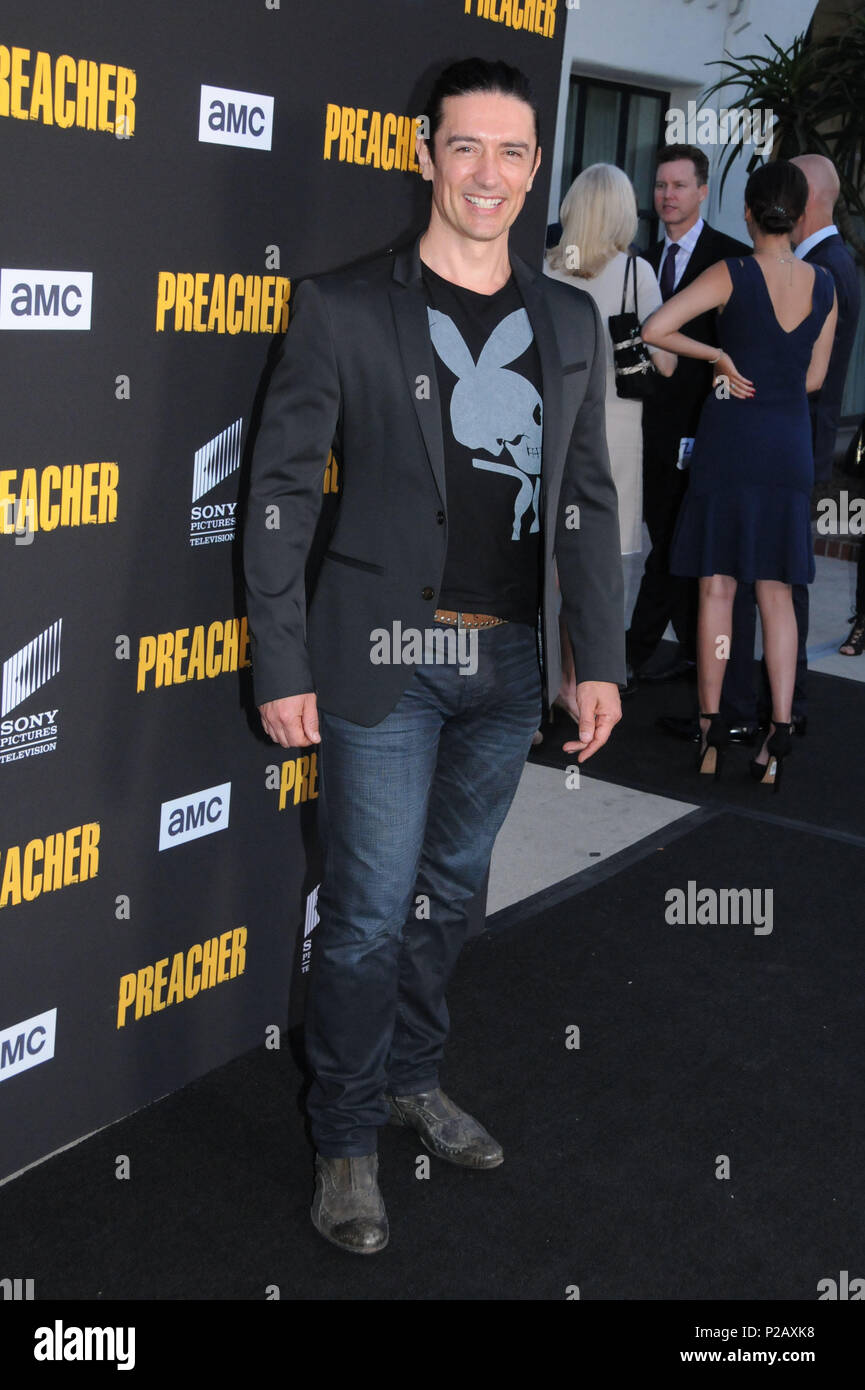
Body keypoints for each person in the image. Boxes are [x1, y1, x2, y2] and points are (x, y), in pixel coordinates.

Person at [243, 57, 625, 1255]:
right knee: (360, 914)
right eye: (466, 148)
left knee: (449, 894)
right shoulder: (346, 305)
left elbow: (588, 502)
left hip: (508, 668)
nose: (490, 175)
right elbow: (280, 495)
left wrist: (596, 657)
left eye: (514, 154)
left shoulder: (568, 320)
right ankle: (346, 1137)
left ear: (535, 172)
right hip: (379, 664)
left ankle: (414, 1074)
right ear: (423, 154)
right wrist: (281, 660)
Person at [642, 160, 837, 789]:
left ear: (749, 212)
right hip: (787, 447)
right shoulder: (825, 284)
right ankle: (777, 734)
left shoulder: (733, 272)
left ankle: (709, 732)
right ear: (800, 213)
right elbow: (812, 380)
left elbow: (656, 329)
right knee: (777, 593)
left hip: (730, 443)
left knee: (717, 590)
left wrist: (721, 355)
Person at [723, 154, 862, 709]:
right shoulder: (826, 263)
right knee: (776, 578)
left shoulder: (825, 269)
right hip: (788, 443)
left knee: (776, 581)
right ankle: (774, 702)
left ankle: (779, 702)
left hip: (785, 444)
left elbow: (813, 378)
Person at [541, 162, 675, 720]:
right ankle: (583, 685)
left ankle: (545, 688)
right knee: (595, 564)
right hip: (613, 431)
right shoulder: (635, 274)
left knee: (545, 558)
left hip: (551, 422)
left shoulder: (546, 265)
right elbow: (664, 361)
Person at [626, 144, 750, 688]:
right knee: (664, 536)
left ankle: (642, 649)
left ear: (703, 191)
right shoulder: (640, 261)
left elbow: (735, 347)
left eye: (678, 185)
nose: (667, 196)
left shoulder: (732, 259)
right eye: (660, 186)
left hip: (703, 428)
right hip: (642, 427)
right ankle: (680, 652)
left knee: (676, 537)